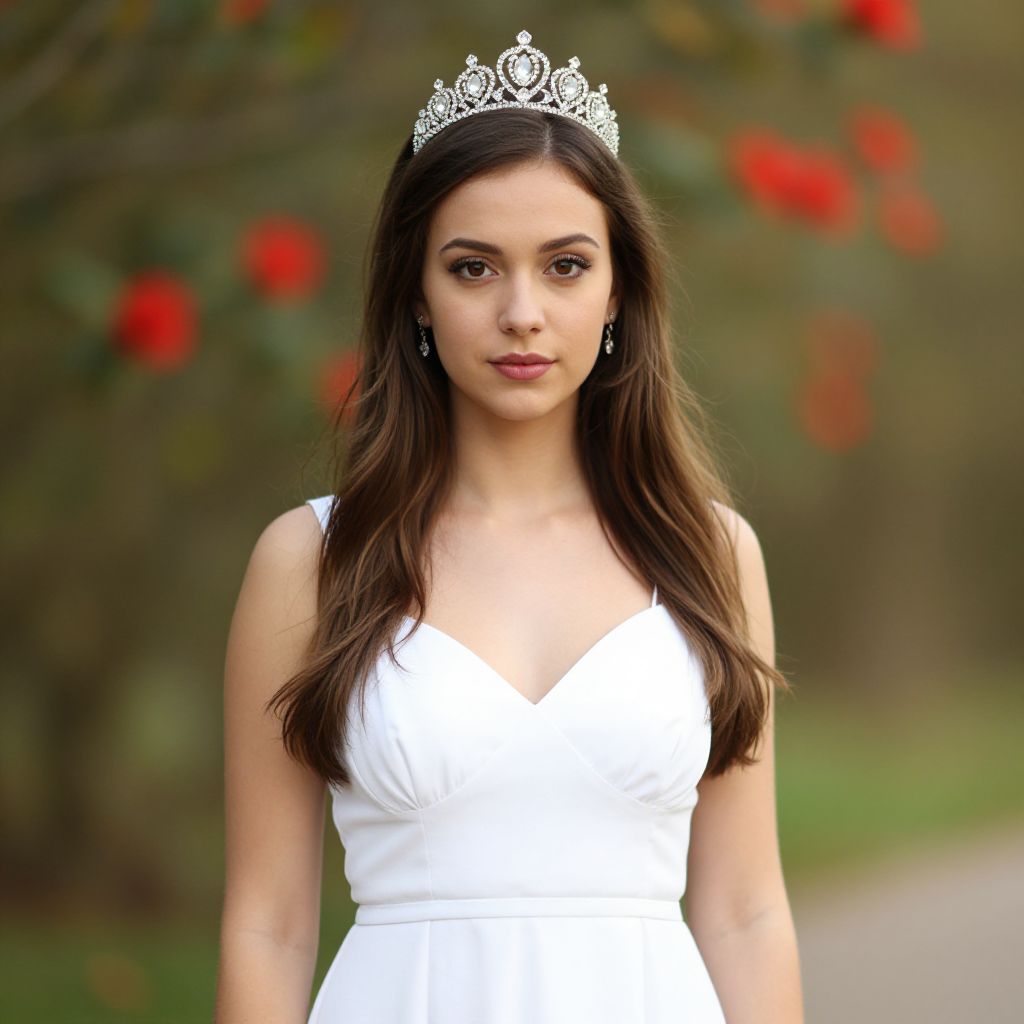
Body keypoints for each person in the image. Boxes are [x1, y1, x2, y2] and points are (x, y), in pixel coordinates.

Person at [215, 28, 804, 1024]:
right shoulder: (312, 560)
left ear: (618, 292)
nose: (522, 312)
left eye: (565, 266)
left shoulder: (710, 553)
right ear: (416, 295)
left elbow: (746, 911)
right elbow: (266, 925)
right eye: (475, 268)